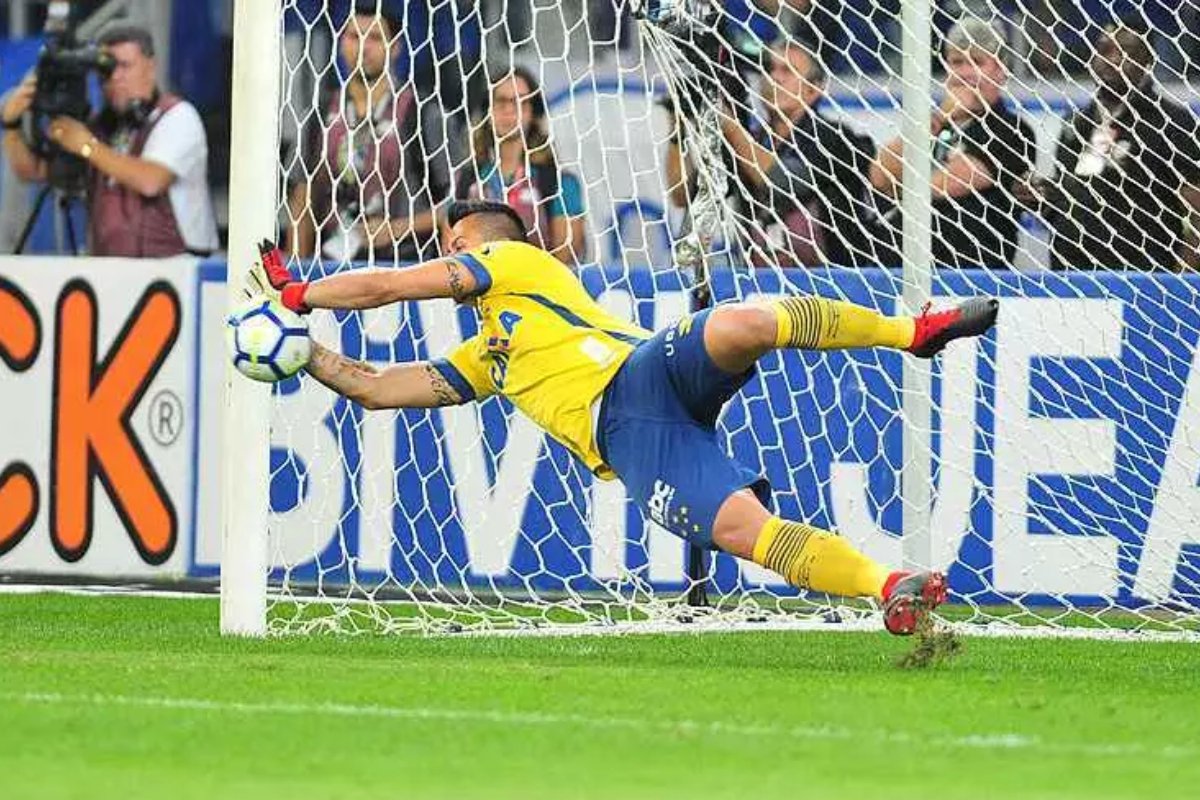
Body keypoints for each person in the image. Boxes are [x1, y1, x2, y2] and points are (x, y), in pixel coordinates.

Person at [246, 199, 1001, 635]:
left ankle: (913, 331)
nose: (449, 250)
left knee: (741, 323)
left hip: (644, 370)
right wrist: (300, 351)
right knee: (744, 531)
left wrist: (298, 294)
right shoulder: (488, 357)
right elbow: (377, 388)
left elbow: (387, 288)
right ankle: (891, 585)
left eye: (456, 242)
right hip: (635, 438)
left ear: (482, 243)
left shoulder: (517, 262)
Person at [1, 24, 219, 257]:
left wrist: (87, 146)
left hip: (177, 268)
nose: (115, 77)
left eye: (125, 66)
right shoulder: (100, 128)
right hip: (109, 270)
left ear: (151, 67)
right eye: (106, 69)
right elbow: (33, 172)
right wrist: (12, 126)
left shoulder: (178, 116)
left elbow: (151, 181)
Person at [285, 3, 450, 263]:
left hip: (405, 266)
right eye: (354, 36)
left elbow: (454, 204)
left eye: (374, 37)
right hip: (333, 268)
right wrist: (296, 269)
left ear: (395, 47)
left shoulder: (423, 113)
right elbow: (301, 203)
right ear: (341, 44)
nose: (363, 46)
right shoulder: (317, 114)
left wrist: (396, 229)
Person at [1030, 23, 1200, 271]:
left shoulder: (1172, 123)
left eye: (1125, 52)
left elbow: (1197, 213)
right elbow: (1069, 200)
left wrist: (1179, 283)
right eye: (1104, 49)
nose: (1112, 60)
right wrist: (1043, 196)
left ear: (1148, 61)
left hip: (1142, 282)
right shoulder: (1076, 122)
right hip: (1069, 279)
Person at [869, 18, 1035, 270]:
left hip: (969, 271)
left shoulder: (1012, 130)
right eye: (957, 62)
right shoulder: (934, 124)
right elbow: (880, 177)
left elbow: (950, 183)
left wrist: (898, 187)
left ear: (1001, 71)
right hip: (901, 266)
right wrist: (939, 119)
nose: (965, 73)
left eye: (976, 62)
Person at [718, 40, 884, 267]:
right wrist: (680, 120)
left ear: (813, 89)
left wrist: (729, 126)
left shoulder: (834, 138)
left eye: (787, 71)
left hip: (832, 280)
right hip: (759, 279)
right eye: (769, 69)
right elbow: (681, 194)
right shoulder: (753, 140)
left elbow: (782, 183)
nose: (774, 78)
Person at [452, 67, 586, 265]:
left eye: (520, 102)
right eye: (501, 101)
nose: (509, 109)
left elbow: (564, 260)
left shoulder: (560, 183)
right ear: (488, 111)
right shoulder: (467, 179)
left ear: (533, 112)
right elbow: (451, 251)